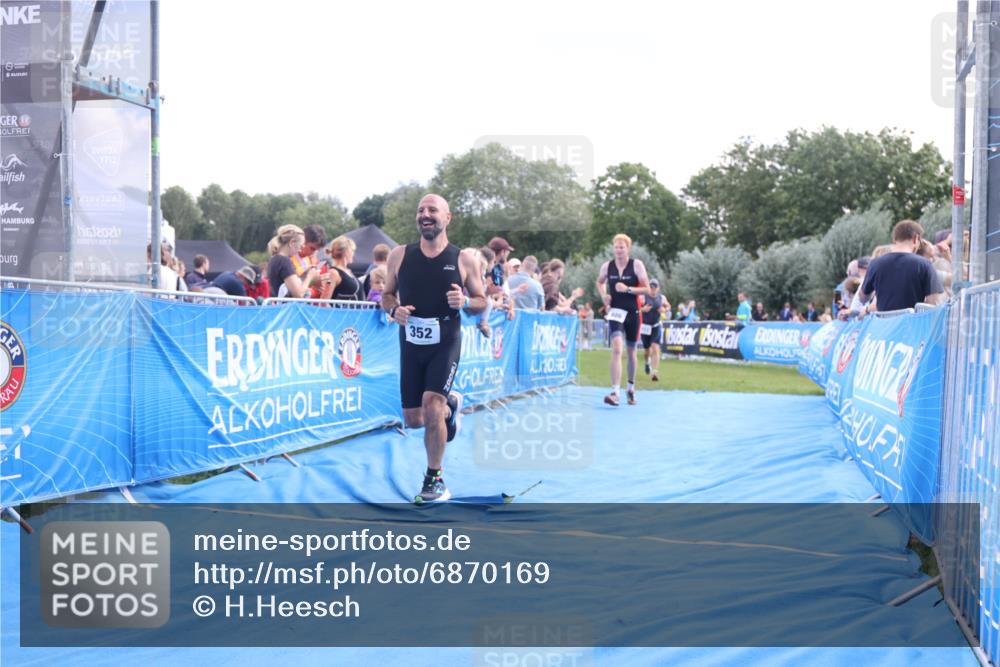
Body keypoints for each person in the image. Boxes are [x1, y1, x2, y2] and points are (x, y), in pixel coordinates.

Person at [381, 194, 486, 503]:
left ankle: (434, 478)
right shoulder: (399, 255)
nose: (425, 215)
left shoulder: (464, 259)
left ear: (447, 218)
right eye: (421, 210)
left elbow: (482, 301)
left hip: (446, 340)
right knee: (414, 419)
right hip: (411, 342)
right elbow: (387, 294)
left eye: (432, 210)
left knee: (432, 405)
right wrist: (393, 310)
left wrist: (466, 302)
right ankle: (452, 405)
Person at [596, 233, 651, 406]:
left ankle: (630, 388)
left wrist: (627, 289)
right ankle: (615, 392)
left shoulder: (636, 265)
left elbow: (647, 290)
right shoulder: (607, 267)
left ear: (628, 249)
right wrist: (605, 296)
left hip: (633, 312)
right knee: (617, 349)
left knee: (631, 351)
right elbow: (599, 282)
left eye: (622, 247)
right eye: (616, 247)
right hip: (616, 313)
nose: (618, 250)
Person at [859, 220, 945, 312]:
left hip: (884, 324)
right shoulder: (924, 264)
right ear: (916, 238)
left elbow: (863, 298)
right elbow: (933, 302)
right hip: (912, 324)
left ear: (894, 239)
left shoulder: (875, 264)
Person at [267, 224, 324, 298]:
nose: (301, 250)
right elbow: (299, 294)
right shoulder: (284, 261)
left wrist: (303, 275)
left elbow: (287, 284)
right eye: (301, 246)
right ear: (292, 243)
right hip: (288, 308)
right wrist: (310, 277)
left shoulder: (274, 258)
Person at [641, 279, 669, 382]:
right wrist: (642, 310)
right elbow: (634, 309)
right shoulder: (643, 297)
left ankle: (654, 372)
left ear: (658, 288)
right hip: (645, 327)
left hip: (656, 326)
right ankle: (647, 363)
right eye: (651, 287)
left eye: (654, 288)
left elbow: (668, 306)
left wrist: (665, 310)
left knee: (656, 348)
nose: (653, 290)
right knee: (647, 350)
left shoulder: (662, 298)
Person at [325, 236, 363, 301]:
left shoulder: (348, 271)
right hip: (341, 310)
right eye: (352, 251)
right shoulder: (333, 273)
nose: (353, 254)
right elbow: (324, 300)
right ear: (346, 252)